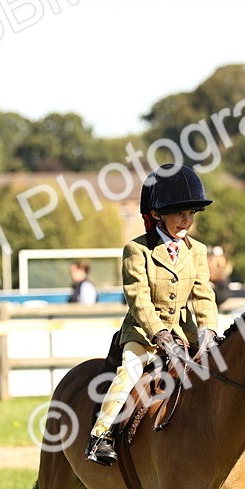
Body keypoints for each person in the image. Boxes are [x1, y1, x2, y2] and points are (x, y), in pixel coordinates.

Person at [84, 164, 219, 465]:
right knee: (130, 369)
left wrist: (209, 329)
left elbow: (203, 293)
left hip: (183, 332)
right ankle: (100, 435)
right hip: (144, 333)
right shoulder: (137, 250)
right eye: (179, 214)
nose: (186, 221)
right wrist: (159, 334)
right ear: (158, 214)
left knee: (222, 366)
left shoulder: (197, 251)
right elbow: (138, 298)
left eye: (191, 214)